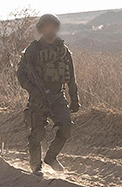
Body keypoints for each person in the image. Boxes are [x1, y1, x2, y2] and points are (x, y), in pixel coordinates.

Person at [17, 14, 80, 177]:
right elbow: (21, 75)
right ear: (41, 29)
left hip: (57, 96)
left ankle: (51, 157)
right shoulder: (33, 50)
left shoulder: (63, 51)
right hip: (38, 97)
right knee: (37, 133)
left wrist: (74, 99)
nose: (49, 30)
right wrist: (33, 90)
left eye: (52, 26)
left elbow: (71, 78)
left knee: (67, 127)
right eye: (46, 27)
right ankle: (36, 167)